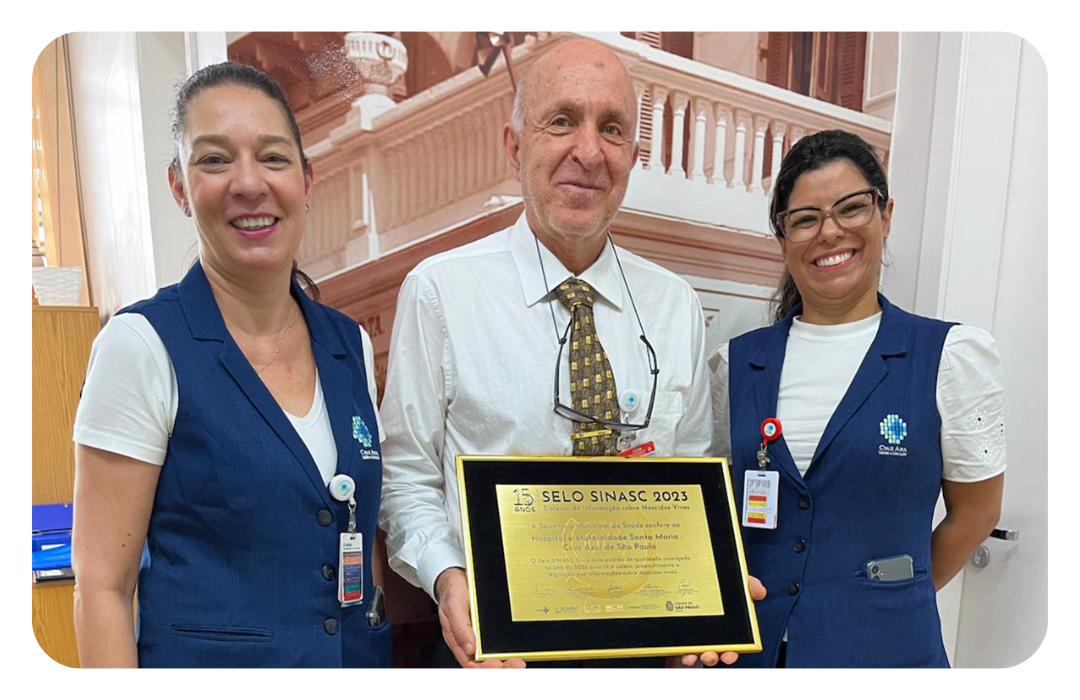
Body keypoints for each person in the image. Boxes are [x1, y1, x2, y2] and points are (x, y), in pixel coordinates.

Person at [379, 38, 763, 670]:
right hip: (494, 649)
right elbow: (408, 478)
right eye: (561, 121)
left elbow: (692, 470)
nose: (588, 152)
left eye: (611, 129)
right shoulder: (440, 292)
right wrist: (450, 581)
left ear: (633, 157)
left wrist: (706, 591)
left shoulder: (675, 305)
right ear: (515, 146)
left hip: (642, 648)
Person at [72, 63, 391, 669]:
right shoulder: (141, 346)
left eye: (273, 158)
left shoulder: (347, 344)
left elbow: (358, 538)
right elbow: (103, 593)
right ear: (178, 187)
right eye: (215, 160)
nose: (249, 184)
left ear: (306, 179)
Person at [710, 130, 1006, 668]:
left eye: (851, 208)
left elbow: (977, 512)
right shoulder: (736, 364)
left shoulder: (949, 356)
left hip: (888, 649)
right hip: (750, 652)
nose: (829, 232)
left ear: (885, 215)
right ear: (782, 238)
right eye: (805, 218)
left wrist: (892, 592)